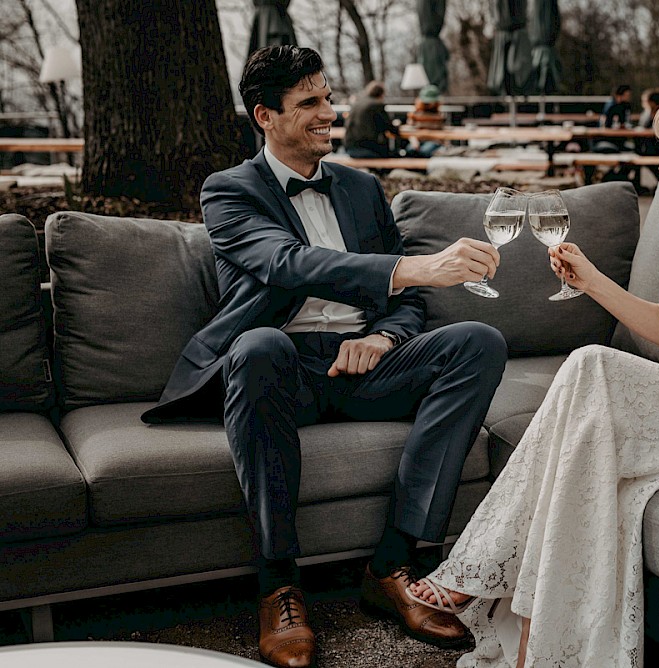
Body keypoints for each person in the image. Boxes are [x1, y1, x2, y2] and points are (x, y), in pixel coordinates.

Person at [406, 78, 659, 667]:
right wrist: (590, 279)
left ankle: (473, 572)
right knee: (579, 450)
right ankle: (536, 645)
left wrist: (641, 386)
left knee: (591, 367)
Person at [141, 45, 508, 668]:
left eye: (328, 99)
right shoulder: (229, 191)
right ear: (264, 115)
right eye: (309, 103)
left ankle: (395, 564)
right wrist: (415, 266)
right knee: (258, 345)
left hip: (366, 364)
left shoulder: (363, 189)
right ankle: (278, 586)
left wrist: (383, 338)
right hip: (280, 371)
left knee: (478, 341)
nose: (327, 114)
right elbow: (287, 263)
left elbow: (406, 304)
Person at [344, 80, 402, 158]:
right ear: (382, 94)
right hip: (367, 148)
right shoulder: (376, 105)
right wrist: (397, 127)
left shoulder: (357, 104)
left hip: (350, 148)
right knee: (395, 155)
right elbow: (387, 126)